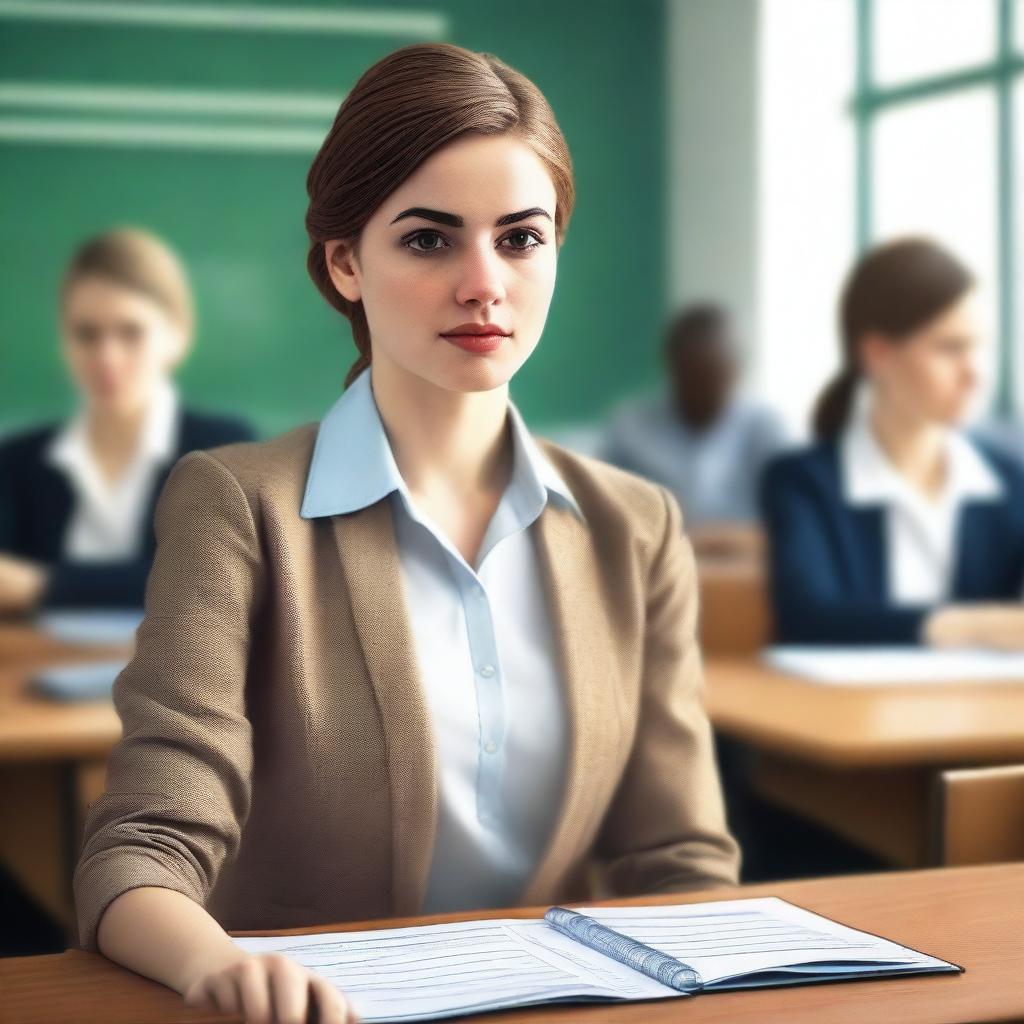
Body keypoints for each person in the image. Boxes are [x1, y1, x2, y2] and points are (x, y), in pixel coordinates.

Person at [73, 43, 740, 1024]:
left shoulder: (633, 526)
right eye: (430, 240)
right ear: (346, 263)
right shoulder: (238, 506)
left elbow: (677, 857)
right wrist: (214, 966)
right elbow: (142, 843)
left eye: (520, 238)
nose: (484, 285)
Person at [761, 237, 1024, 647]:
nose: (975, 374)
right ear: (878, 353)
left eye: (979, 348)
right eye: (951, 348)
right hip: (840, 710)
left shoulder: (1010, 481)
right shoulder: (801, 482)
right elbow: (809, 618)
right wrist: (982, 626)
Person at [0, 227, 255, 613]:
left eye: (131, 333)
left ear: (177, 335)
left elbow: (211, 580)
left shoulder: (225, 450)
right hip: (32, 670)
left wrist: (42, 584)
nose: (107, 357)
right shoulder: (17, 462)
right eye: (86, 334)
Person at [600, 304, 788, 556]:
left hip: (743, 572)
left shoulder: (767, 428)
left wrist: (711, 540)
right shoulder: (631, 428)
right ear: (673, 368)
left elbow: (792, 525)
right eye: (694, 378)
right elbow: (600, 516)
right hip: (652, 569)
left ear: (737, 370)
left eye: (715, 376)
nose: (705, 390)